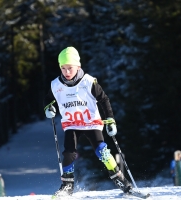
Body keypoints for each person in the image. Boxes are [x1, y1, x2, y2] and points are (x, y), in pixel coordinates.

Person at [44, 46, 132, 197]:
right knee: (69, 153)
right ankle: (67, 185)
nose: (67, 72)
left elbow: (104, 100)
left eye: (70, 68)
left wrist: (110, 119)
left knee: (101, 151)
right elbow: (48, 100)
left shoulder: (88, 82)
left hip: (91, 122)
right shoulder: (56, 85)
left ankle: (120, 179)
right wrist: (48, 108)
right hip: (71, 124)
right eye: (63, 68)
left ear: (78, 66)